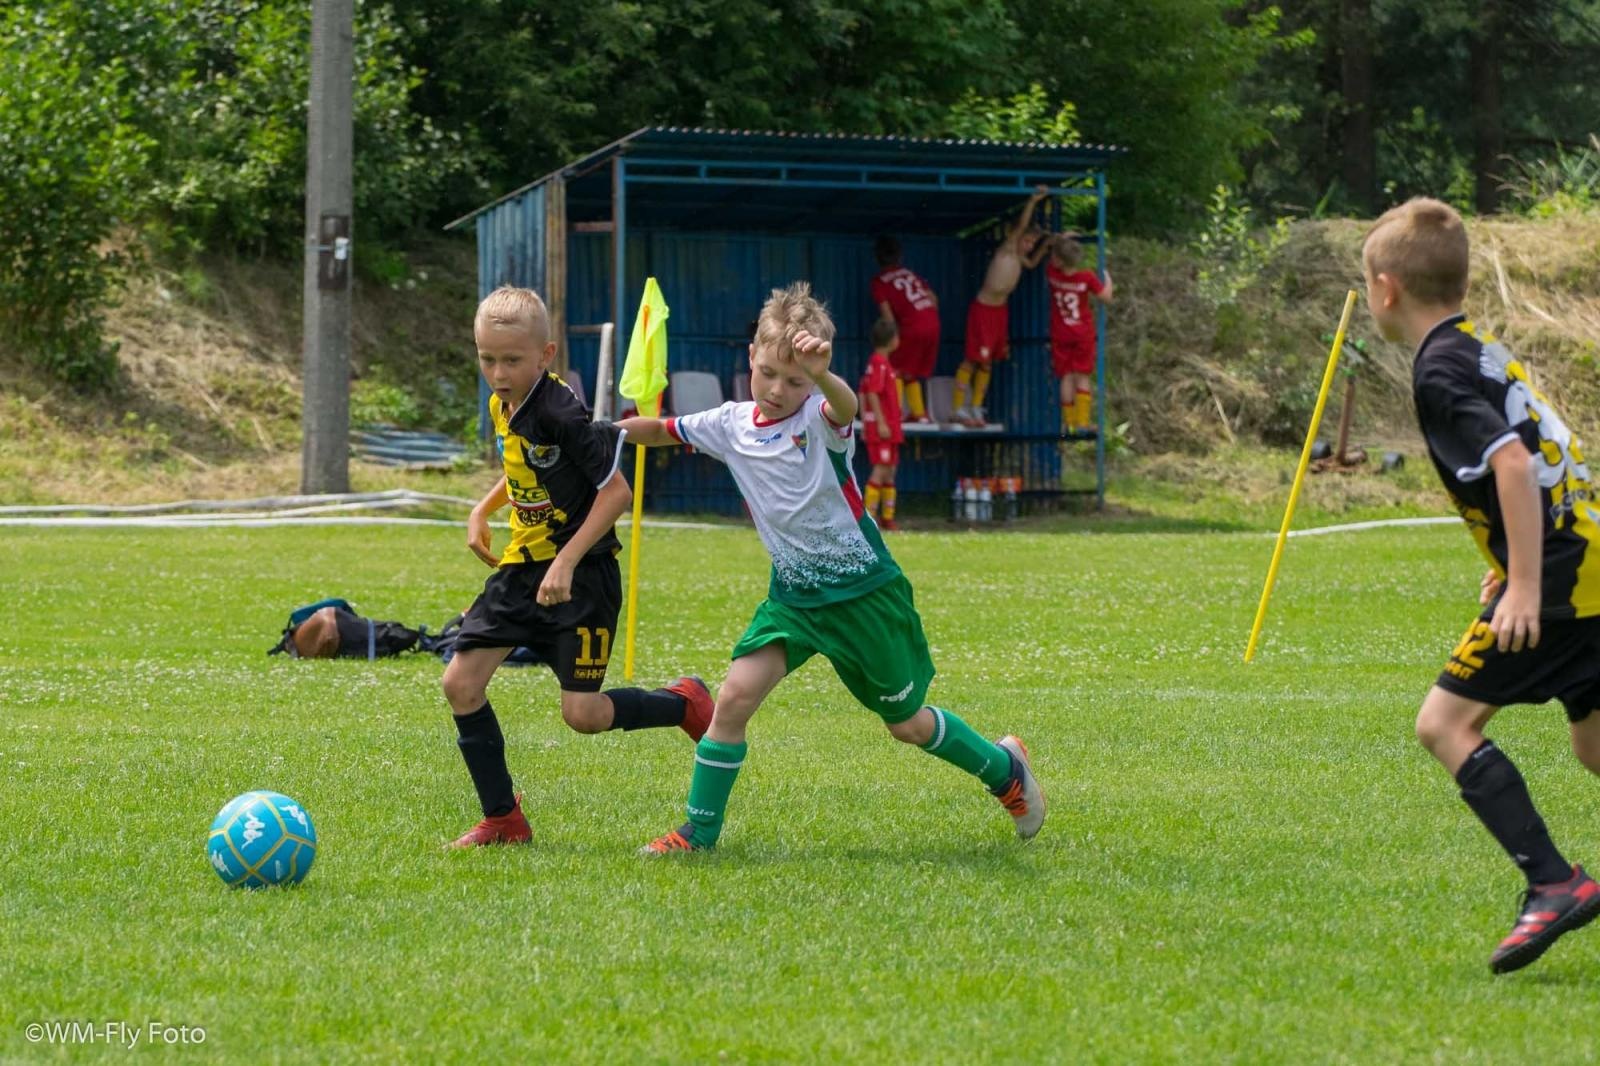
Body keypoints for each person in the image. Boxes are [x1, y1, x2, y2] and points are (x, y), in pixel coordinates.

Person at [616, 282, 1045, 854]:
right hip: (793, 600)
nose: (776, 389)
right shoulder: (729, 422)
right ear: (751, 356)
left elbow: (845, 407)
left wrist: (820, 377)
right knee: (736, 696)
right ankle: (700, 833)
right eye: (769, 373)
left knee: (907, 725)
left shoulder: (821, 420)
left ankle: (1003, 768)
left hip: (863, 594)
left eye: (794, 381)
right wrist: (596, 434)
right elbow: (662, 430)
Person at [1363, 197, 1600, 974]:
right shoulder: (1478, 346)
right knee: (1594, 744)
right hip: (1589, 555)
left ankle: (1554, 882)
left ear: (1387, 288)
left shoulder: (1437, 369)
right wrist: (1507, 560)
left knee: (1444, 725)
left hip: (1561, 582)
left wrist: (1524, 587)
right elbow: (1541, 450)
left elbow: (1512, 463)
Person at [442, 285, 713, 848]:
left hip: (581, 575)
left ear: (546, 355)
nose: (497, 372)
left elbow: (616, 493)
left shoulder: (561, 410)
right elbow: (522, 463)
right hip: (522, 571)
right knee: (460, 683)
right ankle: (504, 820)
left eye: (512, 361)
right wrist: (482, 508)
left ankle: (683, 701)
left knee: (583, 715)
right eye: (487, 358)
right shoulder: (504, 401)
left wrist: (565, 562)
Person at [953, 186, 1052, 427]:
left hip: (1000, 312)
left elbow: (1031, 263)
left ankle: (975, 407)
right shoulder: (1007, 249)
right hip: (984, 310)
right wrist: (1033, 201)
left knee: (987, 363)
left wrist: (1046, 245)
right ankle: (958, 409)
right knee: (972, 360)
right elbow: (1020, 228)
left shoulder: (1020, 257)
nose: (1028, 245)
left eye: (1031, 242)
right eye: (1027, 240)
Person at [1046, 234, 1113, 436]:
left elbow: (1051, 255)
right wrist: (1109, 281)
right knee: (1082, 376)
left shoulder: (1052, 274)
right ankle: (1083, 422)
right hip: (1082, 333)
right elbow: (1106, 297)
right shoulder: (1086, 277)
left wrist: (1062, 239)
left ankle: (1068, 424)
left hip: (1060, 333)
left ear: (1059, 260)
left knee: (1065, 377)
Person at [870, 235, 940, 424]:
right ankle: (920, 414)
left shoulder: (880, 281)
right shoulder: (909, 274)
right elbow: (933, 299)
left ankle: (895, 412)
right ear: (899, 256)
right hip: (932, 323)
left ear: (877, 258)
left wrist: (892, 336)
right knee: (912, 371)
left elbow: (888, 316)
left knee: (895, 369)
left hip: (912, 326)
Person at [859, 317, 905, 530]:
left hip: (889, 426)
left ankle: (887, 517)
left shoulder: (881, 363)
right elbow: (872, 393)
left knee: (890, 470)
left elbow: (862, 391)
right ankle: (869, 517)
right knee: (880, 469)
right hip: (883, 427)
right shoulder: (879, 363)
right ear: (893, 340)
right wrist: (880, 422)